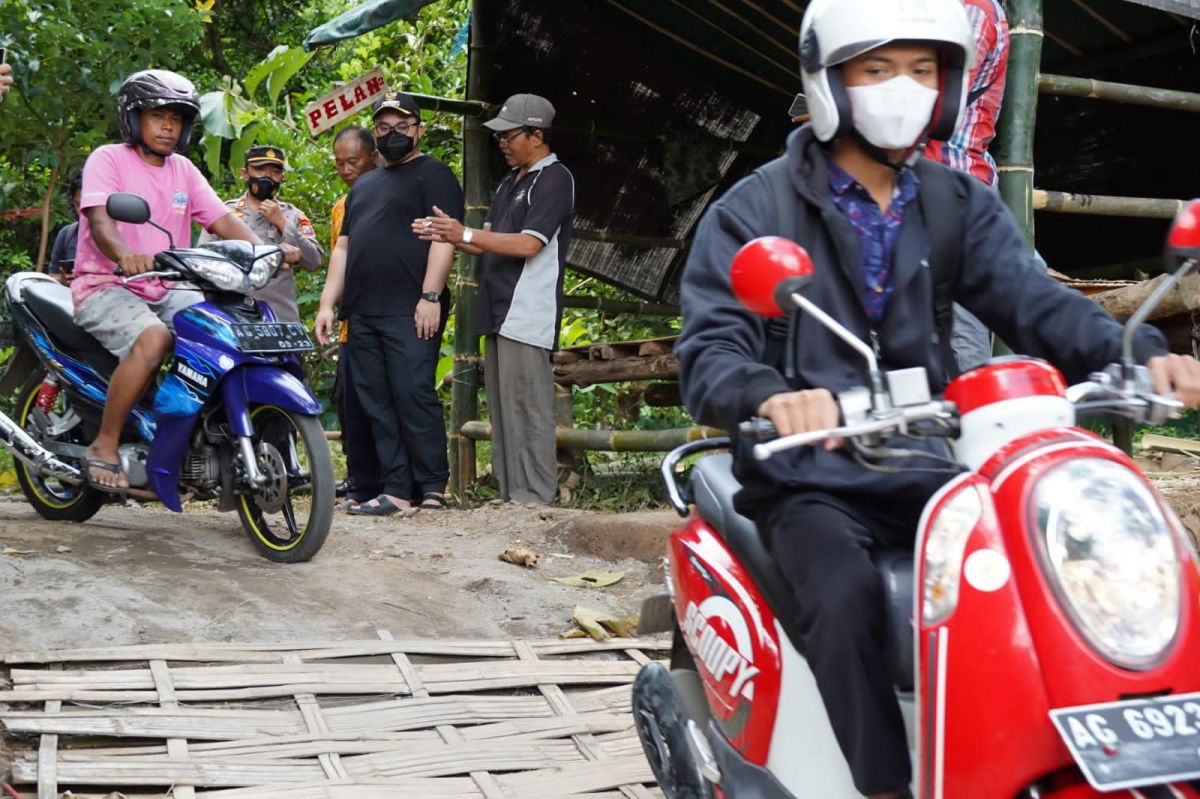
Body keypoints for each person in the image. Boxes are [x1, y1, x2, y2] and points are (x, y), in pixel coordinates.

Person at [674, 2, 1200, 798]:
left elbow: (1036, 302)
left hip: (932, 468)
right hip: (811, 479)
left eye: (923, 71)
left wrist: (1141, 355)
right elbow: (710, 351)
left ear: (949, 88)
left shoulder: (955, 202)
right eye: (877, 69)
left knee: (1057, 570)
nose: (903, 90)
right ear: (828, 80)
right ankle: (884, 786)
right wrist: (771, 394)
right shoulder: (755, 210)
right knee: (844, 595)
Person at [74, 69, 262, 490]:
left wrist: (262, 251)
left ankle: (196, 435)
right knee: (154, 339)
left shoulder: (184, 171)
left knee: (223, 332)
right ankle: (104, 444)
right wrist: (126, 255)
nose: (168, 126)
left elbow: (223, 220)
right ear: (132, 117)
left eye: (176, 119)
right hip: (106, 284)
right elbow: (101, 221)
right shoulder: (108, 159)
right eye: (157, 115)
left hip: (169, 285)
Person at [416, 93, 574, 506]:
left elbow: (527, 245)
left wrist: (464, 234)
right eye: (498, 137)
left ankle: (537, 497)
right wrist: (447, 232)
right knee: (504, 411)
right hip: (498, 309)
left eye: (509, 135)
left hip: (527, 309)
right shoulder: (510, 181)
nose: (502, 143)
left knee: (530, 408)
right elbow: (485, 243)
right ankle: (510, 497)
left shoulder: (554, 178)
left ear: (537, 135)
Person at [315, 92, 462, 516]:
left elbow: (444, 238)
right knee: (375, 398)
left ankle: (433, 485)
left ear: (418, 129)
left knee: (413, 391)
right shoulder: (364, 186)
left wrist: (431, 295)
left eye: (401, 126)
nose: (392, 134)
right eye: (384, 128)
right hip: (361, 310)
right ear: (375, 133)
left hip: (411, 306)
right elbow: (343, 248)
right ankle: (396, 490)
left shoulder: (433, 175)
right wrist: (328, 304)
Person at [925, 0, 1010, 372]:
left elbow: (940, 99)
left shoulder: (972, 9)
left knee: (961, 335)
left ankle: (976, 418)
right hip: (918, 179)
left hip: (953, 181)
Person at [197, 145, 323, 323]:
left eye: (275, 171)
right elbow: (202, 262)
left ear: (282, 177)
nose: (267, 176)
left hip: (281, 320)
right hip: (234, 318)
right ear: (245, 173)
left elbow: (314, 261)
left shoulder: (292, 215)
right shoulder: (224, 214)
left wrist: (282, 223)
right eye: (260, 169)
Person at [329, 125, 382, 511]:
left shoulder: (388, 197)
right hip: (350, 322)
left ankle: (394, 483)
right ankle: (359, 481)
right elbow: (337, 259)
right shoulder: (339, 208)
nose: (346, 169)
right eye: (339, 163)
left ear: (373, 158)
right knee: (351, 406)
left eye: (354, 161)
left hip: (381, 316)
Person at [48, 172, 83, 283]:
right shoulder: (67, 234)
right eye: (78, 205)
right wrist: (63, 279)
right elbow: (53, 276)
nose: (83, 211)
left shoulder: (121, 235)